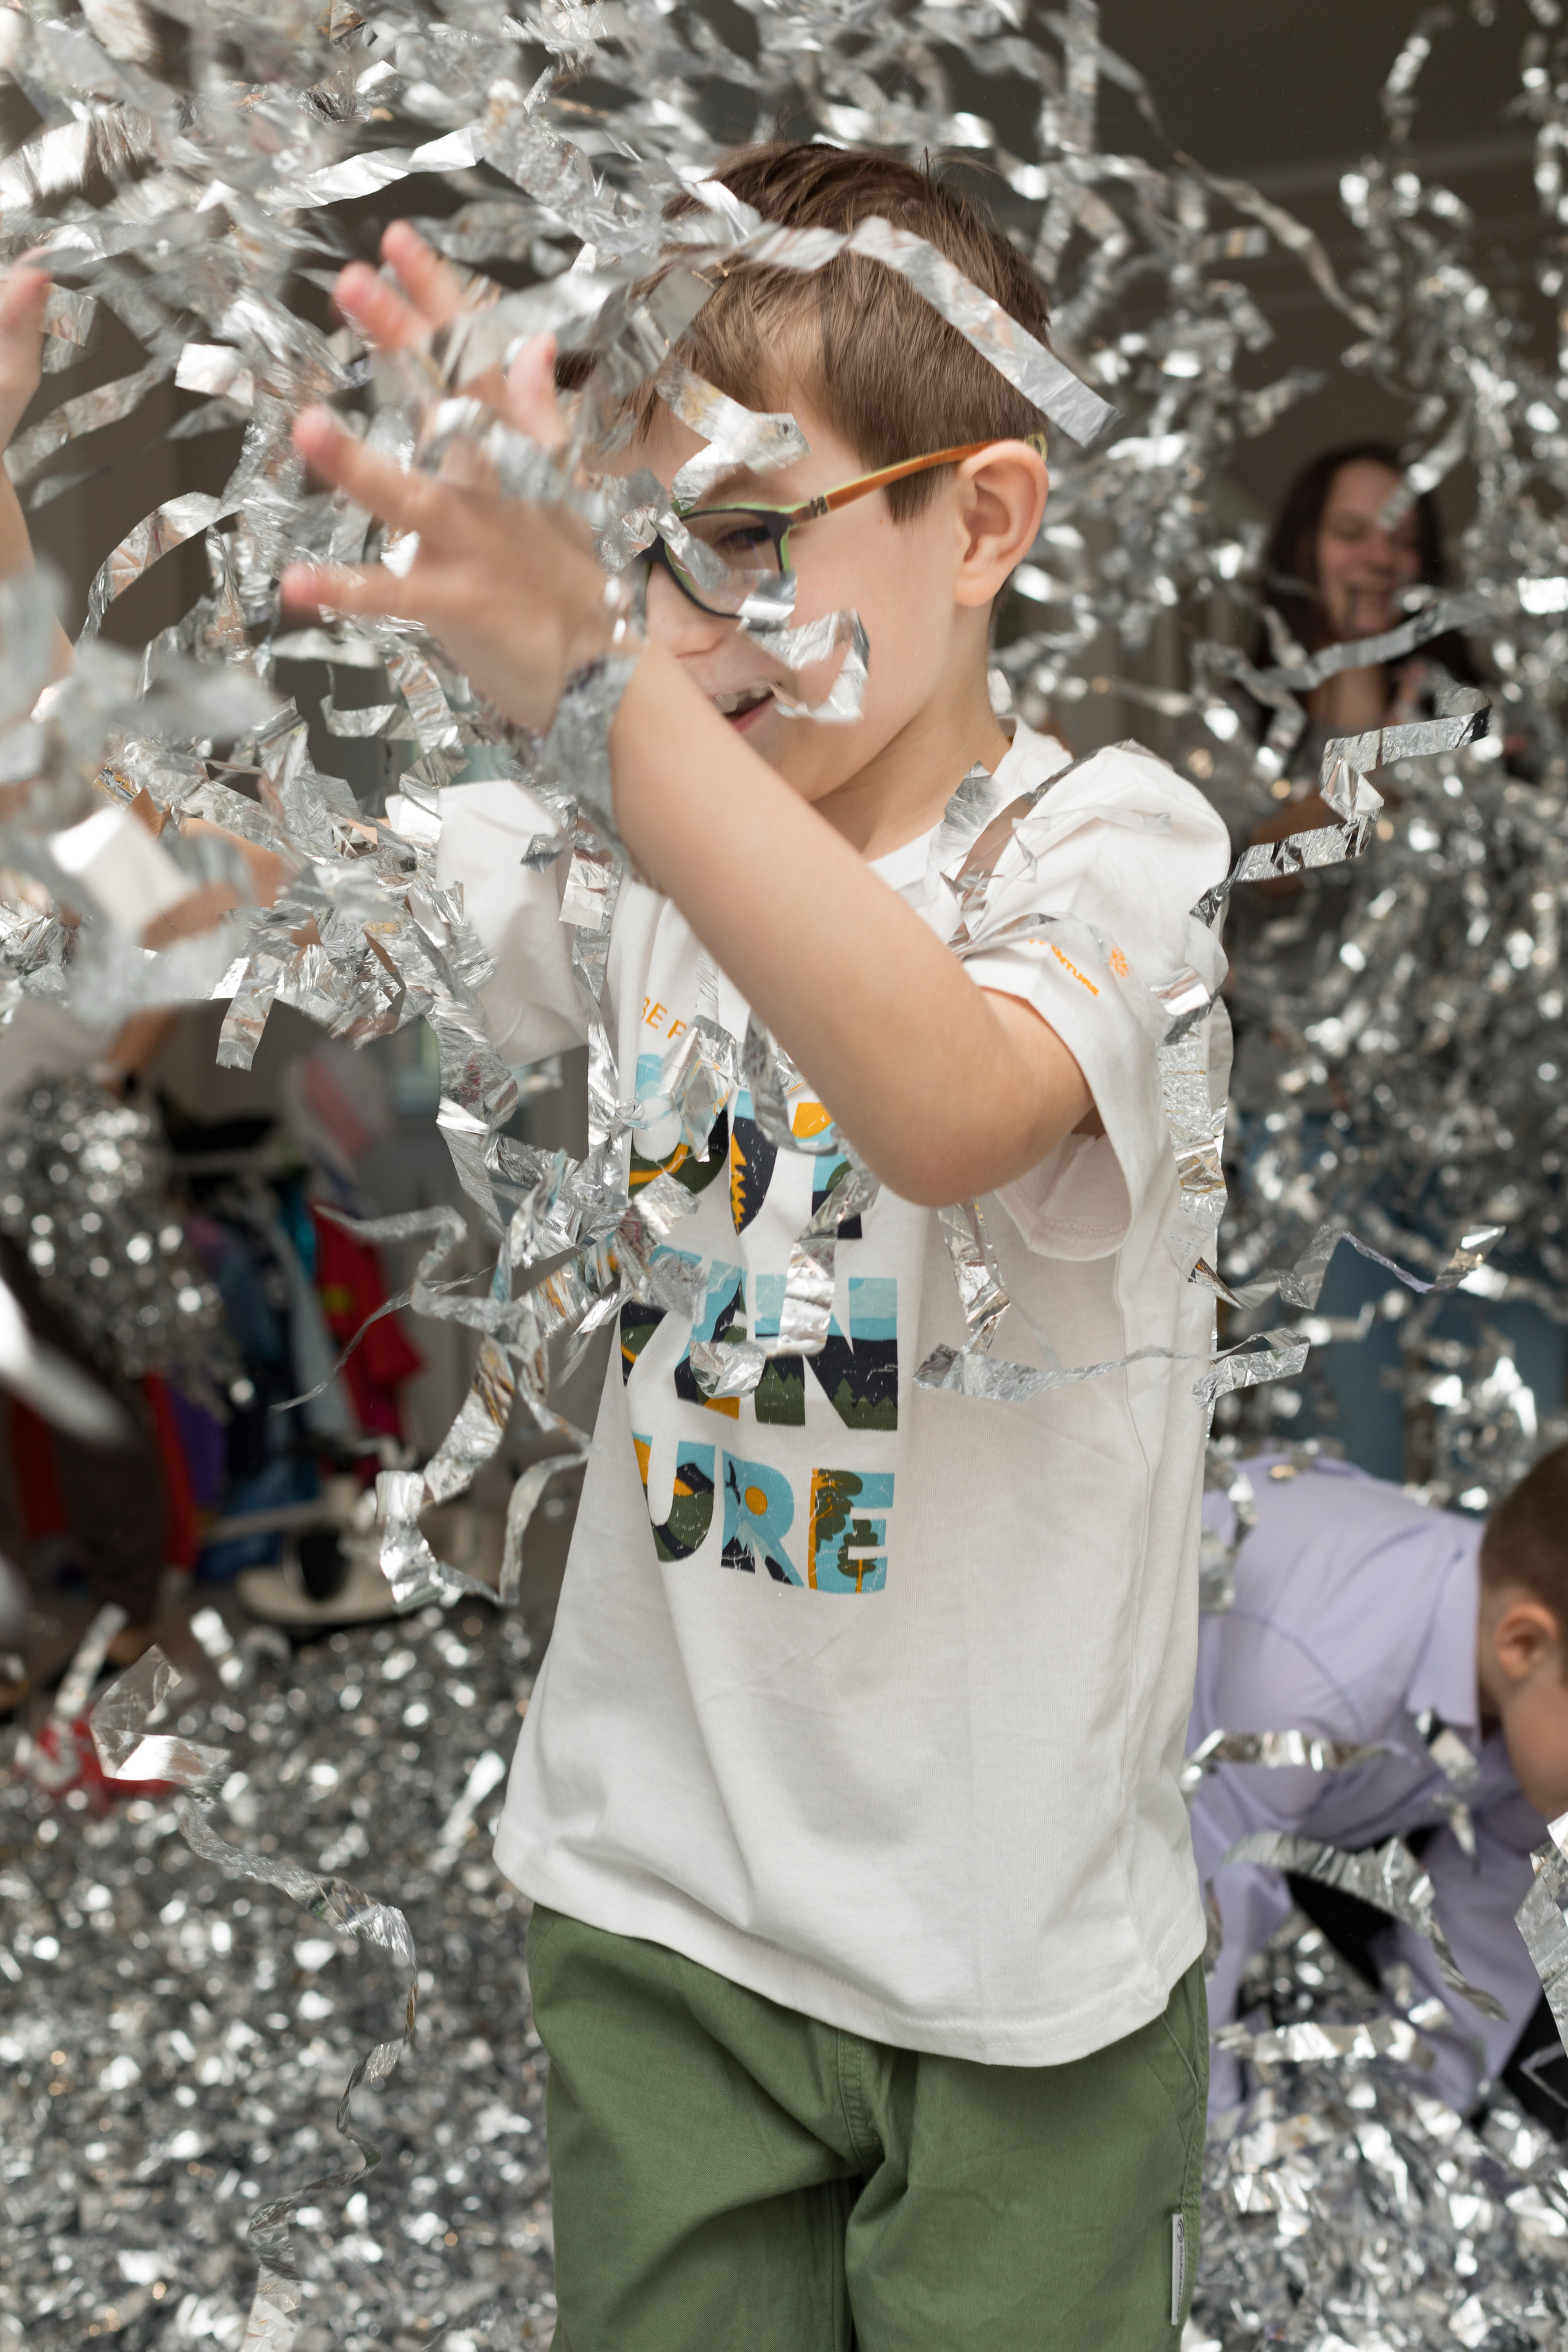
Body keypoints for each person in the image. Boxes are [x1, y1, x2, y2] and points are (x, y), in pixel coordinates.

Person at [265, 145, 1231, 2349]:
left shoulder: (1111, 851)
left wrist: (600, 703)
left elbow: (947, 1099)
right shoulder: (644, 849)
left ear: (977, 520)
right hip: (657, 1915)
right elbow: (190, 905)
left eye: (737, 540)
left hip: (1016, 1992)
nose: (680, 629)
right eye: (636, 560)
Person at [1191, 1446, 1568, 2127]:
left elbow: (1487, 1918)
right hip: (1167, 1823)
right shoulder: (1313, 1687)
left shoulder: (1527, 1710)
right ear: (1523, 1645)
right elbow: (1194, 1947)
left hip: (1300, 1820)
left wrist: (1410, 2119)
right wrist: (1223, 2154)